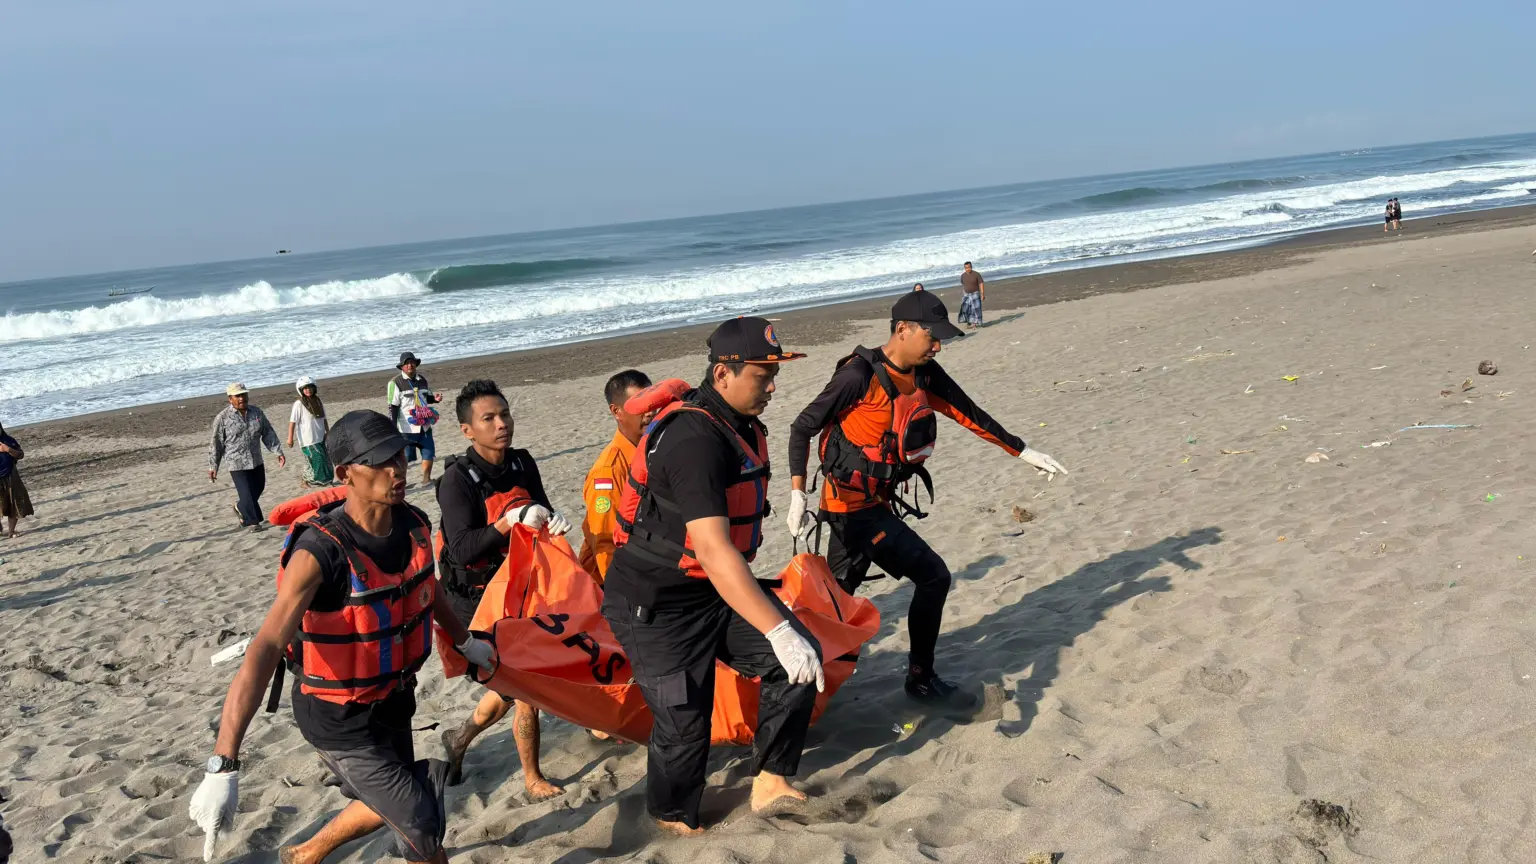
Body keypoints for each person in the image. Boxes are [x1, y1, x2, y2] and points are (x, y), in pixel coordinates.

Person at [187, 410, 497, 864]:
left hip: (392, 700)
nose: (396, 469)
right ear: (344, 472)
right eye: (378, 461)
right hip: (336, 718)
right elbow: (267, 646)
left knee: (396, 806)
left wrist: (467, 644)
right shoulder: (320, 553)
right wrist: (223, 764)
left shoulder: (413, 524)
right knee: (421, 822)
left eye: (399, 455)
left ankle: (306, 854)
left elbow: (426, 594)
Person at [785, 291, 1066, 708]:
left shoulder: (925, 373)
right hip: (848, 511)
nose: (938, 346)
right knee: (926, 578)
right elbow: (802, 426)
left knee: (837, 602)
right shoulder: (858, 375)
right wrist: (796, 493)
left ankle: (807, 687)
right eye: (932, 337)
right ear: (902, 329)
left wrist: (1022, 451)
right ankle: (894, 681)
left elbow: (970, 413)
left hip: (874, 506)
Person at [603, 316, 824, 835]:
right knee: (685, 727)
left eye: (774, 374)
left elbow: (720, 564)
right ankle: (671, 817)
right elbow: (713, 547)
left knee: (798, 662)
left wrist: (786, 637)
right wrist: (776, 627)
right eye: (760, 375)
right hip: (654, 606)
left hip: (710, 592)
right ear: (723, 373)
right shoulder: (693, 439)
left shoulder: (739, 423)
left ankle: (770, 778)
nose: (771, 386)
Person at [436, 379, 573, 798]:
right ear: (467, 430)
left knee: (512, 687)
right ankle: (532, 779)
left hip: (518, 586)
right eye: (489, 418)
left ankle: (459, 738)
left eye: (505, 414)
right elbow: (459, 550)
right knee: (524, 686)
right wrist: (508, 522)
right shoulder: (457, 481)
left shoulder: (522, 463)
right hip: (473, 599)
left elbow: (540, 504)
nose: (501, 424)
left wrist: (553, 518)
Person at [579, 369, 654, 583]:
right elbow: (604, 543)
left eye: (651, 402)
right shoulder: (608, 473)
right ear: (617, 411)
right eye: (639, 405)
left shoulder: (652, 451)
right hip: (615, 583)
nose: (649, 411)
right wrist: (621, 598)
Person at [209, 383, 285, 529]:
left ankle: (239, 506)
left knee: (259, 487)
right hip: (236, 463)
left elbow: (267, 432)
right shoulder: (222, 418)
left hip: (256, 460)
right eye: (237, 396)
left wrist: (277, 451)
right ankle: (252, 522)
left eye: (243, 395)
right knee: (246, 494)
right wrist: (214, 466)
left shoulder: (256, 413)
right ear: (230, 398)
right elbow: (216, 443)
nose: (241, 398)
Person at [388, 352, 445, 486]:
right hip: (406, 427)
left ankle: (426, 479)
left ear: (416, 364)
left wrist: (434, 399)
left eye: (412, 362)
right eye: (406, 363)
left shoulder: (422, 380)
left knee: (428, 451)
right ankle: (402, 482)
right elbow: (393, 406)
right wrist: (392, 426)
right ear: (402, 366)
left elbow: (427, 397)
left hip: (424, 424)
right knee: (405, 457)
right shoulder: (395, 383)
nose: (410, 365)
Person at [288, 377, 332, 488]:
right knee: (317, 460)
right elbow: (292, 422)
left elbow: (324, 418)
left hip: (320, 436)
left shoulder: (318, 401)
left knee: (325, 460)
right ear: (301, 390)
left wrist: (328, 431)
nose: (308, 390)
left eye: (310, 388)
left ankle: (326, 481)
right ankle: (305, 479)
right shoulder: (299, 404)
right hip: (308, 438)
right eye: (305, 388)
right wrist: (290, 438)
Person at [0, 422, 31, 538]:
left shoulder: (8, 440)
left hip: (11, 476)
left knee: (14, 504)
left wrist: (7, 449)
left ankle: (11, 532)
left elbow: (20, 454)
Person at [958, 262, 985, 329]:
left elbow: (981, 284)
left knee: (975, 309)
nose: (968, 269)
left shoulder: (976, 274)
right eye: (966, 268)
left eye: (969, 267)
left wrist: (982, 294)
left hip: (975, 294)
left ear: (971, 267)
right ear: (964, 268)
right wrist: (964, 293)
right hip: (966, 294)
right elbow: (963, 284)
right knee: (966, 309)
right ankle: (969, 322)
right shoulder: (963, 275)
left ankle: (975, 324)